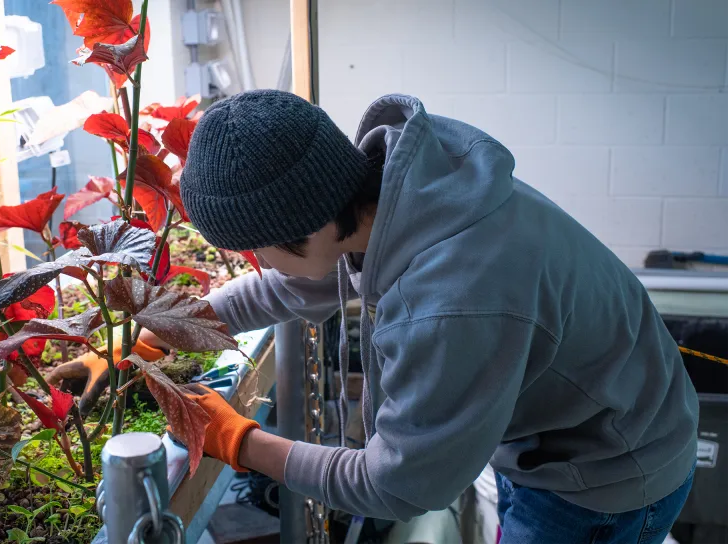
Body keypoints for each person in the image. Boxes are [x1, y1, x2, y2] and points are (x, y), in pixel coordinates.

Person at [136, 90, 699, 543]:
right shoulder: (405, 189)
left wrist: (238, 441)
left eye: (256, 249)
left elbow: (395, 486)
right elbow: (291, 287)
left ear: (304, 226)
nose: (257, 265)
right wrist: (156, 331)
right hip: (562, 436)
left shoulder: (449, 301)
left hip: (604, 483)